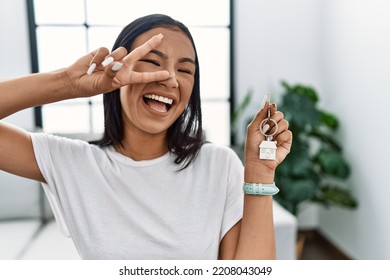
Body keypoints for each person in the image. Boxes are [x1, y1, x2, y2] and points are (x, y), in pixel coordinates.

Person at [0, 14, 292, 260]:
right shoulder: (71, 162)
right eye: (153, 62)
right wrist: (68, 83)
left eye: (185, 70)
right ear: (117, 69)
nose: (170, 78)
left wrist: (259, 172)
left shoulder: (218, 165)